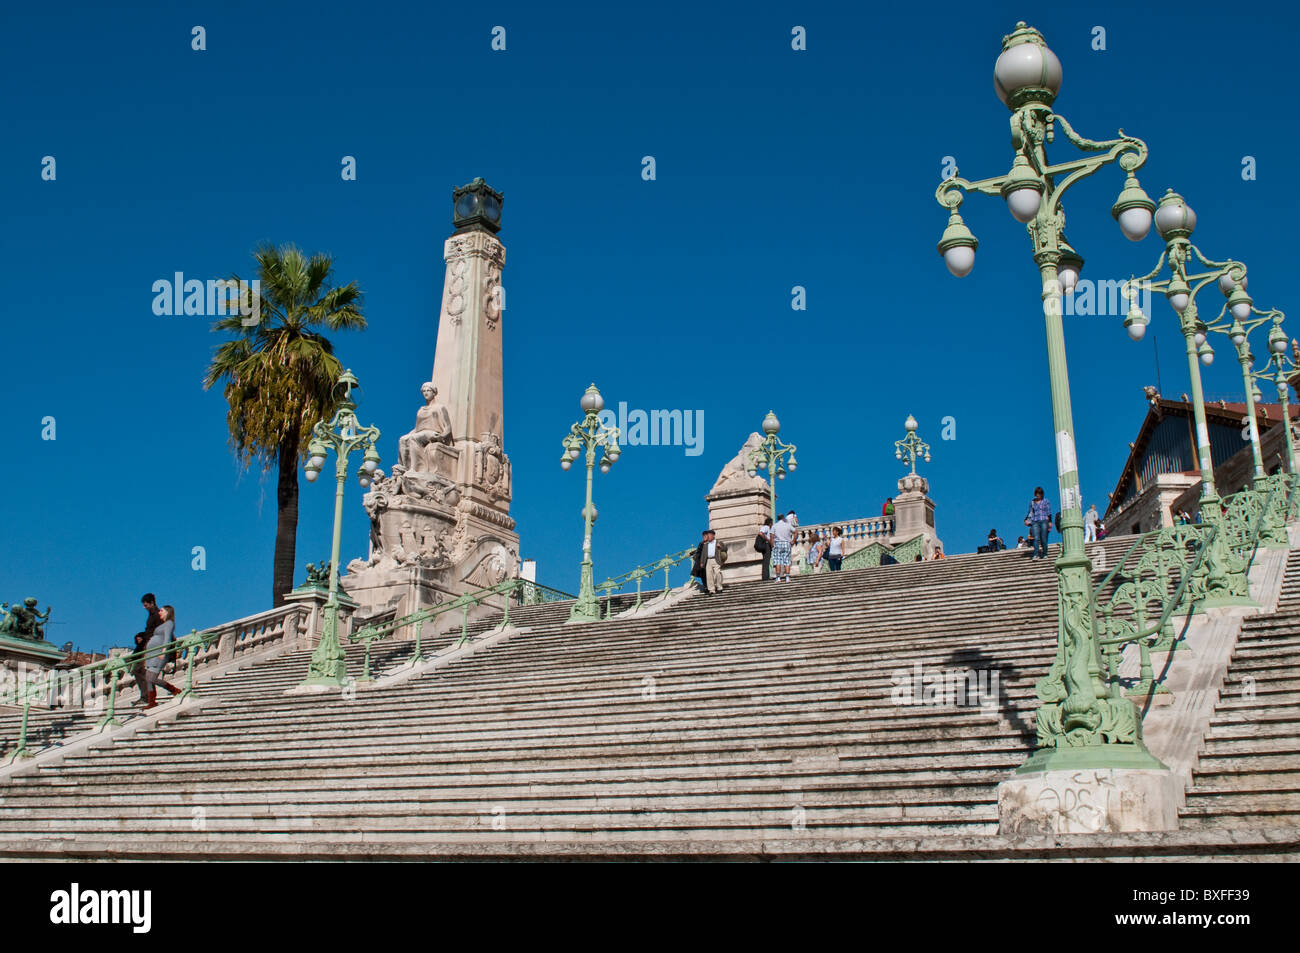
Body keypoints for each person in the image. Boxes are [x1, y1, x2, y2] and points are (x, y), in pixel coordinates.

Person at [142, 605, 183, 709]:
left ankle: (174, 690)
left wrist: (164, 651)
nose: (159, 612)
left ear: (167, 612)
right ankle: (152, 702)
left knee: (152, 678)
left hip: (159, 654)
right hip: (152, 654)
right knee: (148, 678)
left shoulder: (169, 623)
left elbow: (167, 638)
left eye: (161, 610)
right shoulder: (164, 624)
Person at [1025, 486, 1052, 560]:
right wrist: (1026, 519)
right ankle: (1035, 554)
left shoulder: (1046, 501)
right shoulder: (1032, 502)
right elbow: (1030, 512)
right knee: (1036, 538)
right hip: (1035, 521)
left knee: (1043, 538)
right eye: (1037, 493)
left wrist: (1050, 522)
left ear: (1042, 494)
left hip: (1044, 520)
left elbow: (1048, 512)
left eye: (1039, 494)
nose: (1038, 495)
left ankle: (1045, 553)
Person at [772, 511, 794, 582]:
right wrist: (793, 540)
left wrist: (772, 544)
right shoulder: (787, 525)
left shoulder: (774, 526)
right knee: (787, 561)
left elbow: (771, 536)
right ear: (783, 518)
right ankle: (787, 577)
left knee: (777, 561)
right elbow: (796, 531)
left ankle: (778, 578)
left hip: (778, 543)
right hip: (786, 543)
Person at [691, 529, 712, 595]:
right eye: (703, 536)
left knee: (708, 574)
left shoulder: (711, 543)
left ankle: (710, 587)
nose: (704, 537)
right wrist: (692, 553)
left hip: (708, 561)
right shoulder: (701, 543)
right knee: (703, 574)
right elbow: (698, 550)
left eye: (705, 536)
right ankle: (706, 587)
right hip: (701, 562)